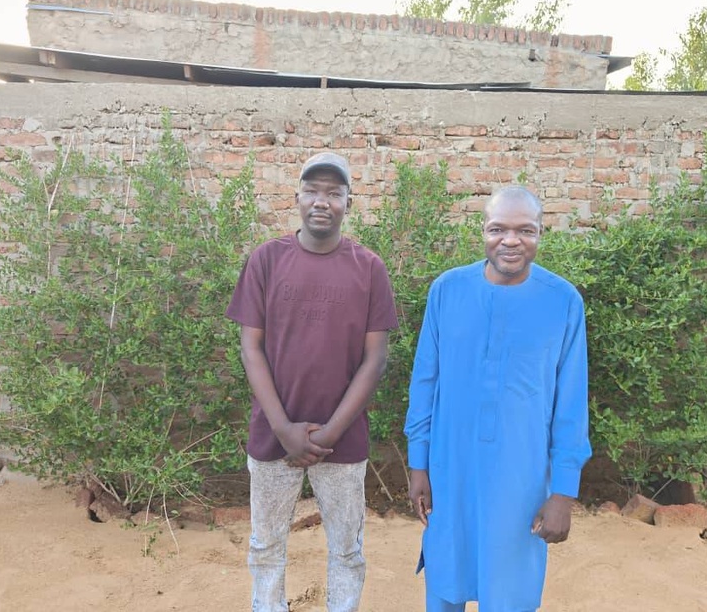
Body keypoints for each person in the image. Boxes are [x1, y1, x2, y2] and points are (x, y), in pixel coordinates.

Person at [404, 185, 592, 612]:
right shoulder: (447, 291)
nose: (511, 241)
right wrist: (419, 463)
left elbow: (570, 404)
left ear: (541, 233)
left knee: (512, 592)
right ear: (483, 232)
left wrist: (563, 491)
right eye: (498, 229)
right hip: (451, 469)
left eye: (525, 230)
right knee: (446, 576)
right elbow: (425, 383)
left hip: (521, 476)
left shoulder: (563, 302)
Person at [226, 151, 398, 612]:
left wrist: (330, 433)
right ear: (297, 197)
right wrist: (284, 429)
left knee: (346, 549)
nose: (322, 201)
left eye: (334, 193)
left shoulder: (369, 268)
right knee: (266, 546)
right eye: (313, 191)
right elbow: (251, 348)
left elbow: (375, 359)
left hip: (341, 442)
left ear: (347, 202)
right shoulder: (266, 260)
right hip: (272, 437)